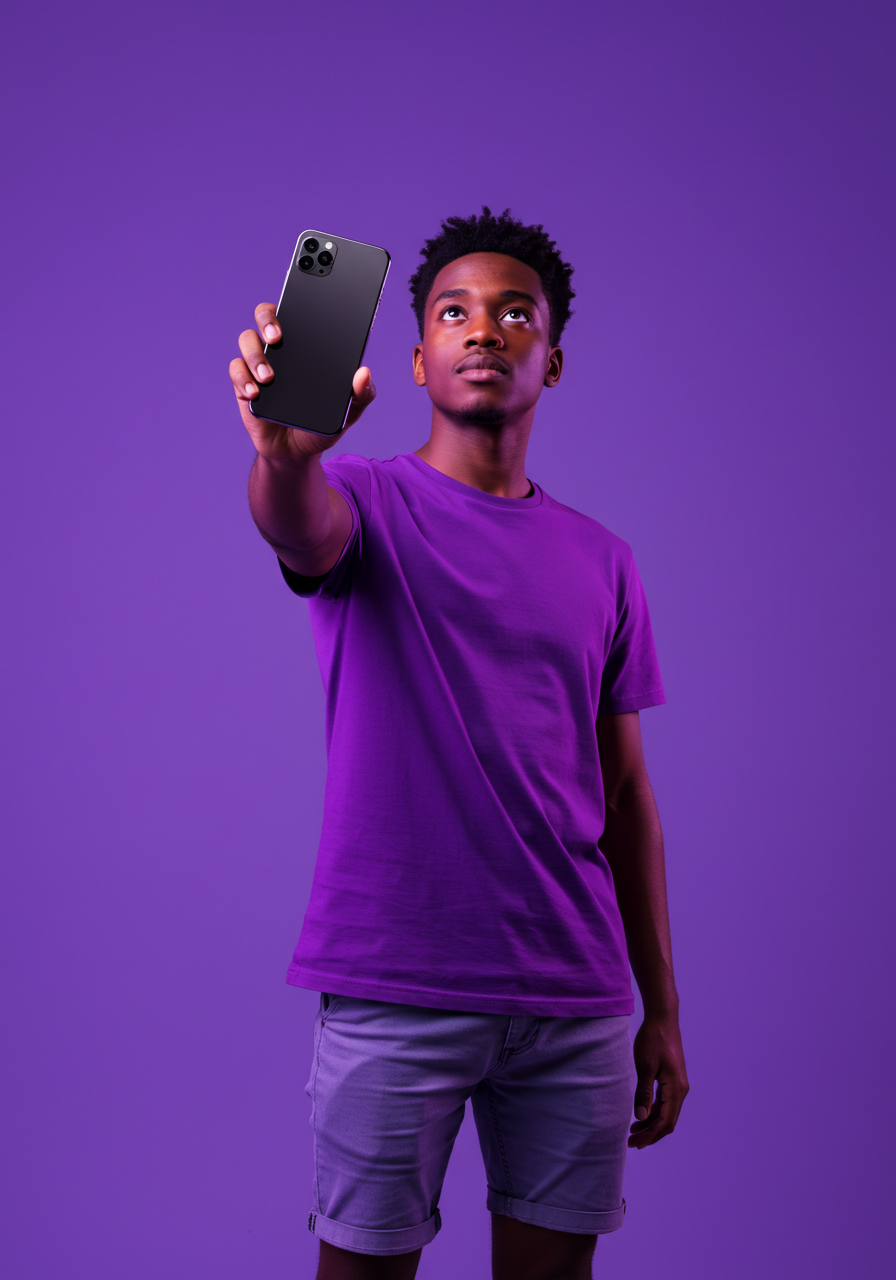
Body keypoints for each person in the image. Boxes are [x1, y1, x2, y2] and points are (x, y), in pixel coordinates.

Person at [229, 208, 688, 1280]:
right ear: (417, 361)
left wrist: (661, 1008)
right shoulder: (363, 499)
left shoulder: (605, 560)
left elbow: (626, 794)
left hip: (573, 996)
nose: (484, 329)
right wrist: (285, 460)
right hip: (396, 982)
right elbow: (296, 524)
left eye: (514, 313)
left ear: (551, 361)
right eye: (454, 312)